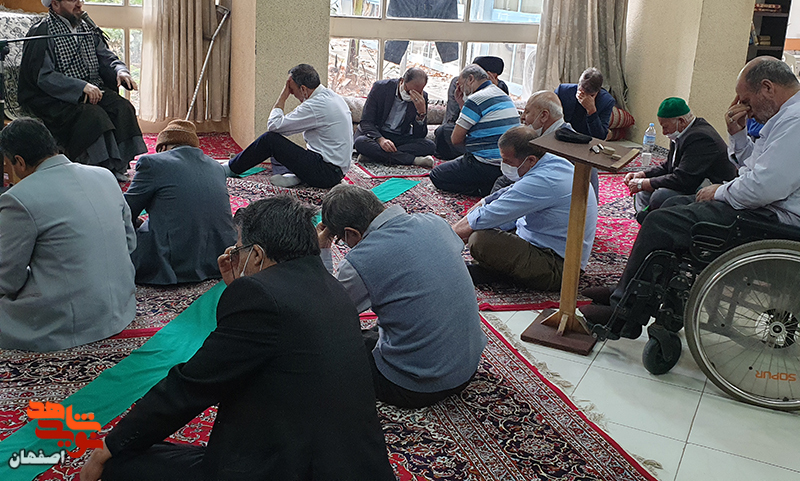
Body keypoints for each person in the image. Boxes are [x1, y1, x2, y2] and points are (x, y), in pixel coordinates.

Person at [80, 196, 395, 481]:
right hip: (351, 464)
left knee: (120, 465)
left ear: (256, 254)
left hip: (288, 468)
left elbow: (193, 383)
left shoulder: (261, 297)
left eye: (239, 249)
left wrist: (112, 444)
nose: (233, 256)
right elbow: (254, 348)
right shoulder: (332, 288)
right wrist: (239, 292)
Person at [581, 57, 800, 335]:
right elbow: (753, 169)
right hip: (763, 208)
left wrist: (719, 191)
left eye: (746, 100)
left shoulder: (794, 122)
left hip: (773, 220)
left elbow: (763, 187)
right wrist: (738, 136)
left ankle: (624, 313)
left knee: (661, 221)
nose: (746, 109)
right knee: (670, 205)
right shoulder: (785, 118)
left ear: (767, 88)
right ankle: (629, 291)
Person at [318, 184, 486, 409]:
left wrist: (322, 251)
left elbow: (323, 312)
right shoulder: (435, 222)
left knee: (325, 346)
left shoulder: (362, 260)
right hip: (467, 369)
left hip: (413, 385)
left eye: (341, 239)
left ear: (352, 234)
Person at [0, 118, 136, 352]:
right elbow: (130, 243)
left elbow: (7, 279)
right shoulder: (105, 176)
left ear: (19, 162)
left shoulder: (19, 197)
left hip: (66, 322)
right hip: (120, 308)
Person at [18, 0, 146, 182]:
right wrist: (79, 87)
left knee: (121, 107)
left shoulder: (86, 26)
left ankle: (119, 165)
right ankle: (99, 169)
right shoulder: (42, 32)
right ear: (55, 4)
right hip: (57, 98)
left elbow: (106, 57)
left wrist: (120, 71)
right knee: (94, 116)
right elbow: (43, 76)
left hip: (93, 90)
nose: (79, 5)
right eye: (72, 0)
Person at [452, 126, 598, 290]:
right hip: (541, 243)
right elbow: (502, 197)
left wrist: (445, 240)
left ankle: (501, 273)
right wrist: (481, 206)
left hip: (560, 267)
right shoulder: (550, 161)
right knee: (492, 223)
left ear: (530, 160)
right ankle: (500, 271)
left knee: (480, 240)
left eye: (508, 162)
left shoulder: (544, 181)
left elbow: (484, 217)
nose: (504, 165)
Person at [125, 119, 237, 285]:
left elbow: (124, 211)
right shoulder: (216, 167)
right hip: (219, 260)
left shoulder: (152, 163)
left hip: (172, 264)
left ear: (163, 147)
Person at [224, 64, 352, 188]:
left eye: (292, 90)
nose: (293, 94)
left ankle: (229, 169)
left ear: (303, 89)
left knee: (269, 140)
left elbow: (274, 126)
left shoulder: (315, 105)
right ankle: (297, 177)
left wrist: (283, 96)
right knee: (279, 153)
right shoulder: (332, 96)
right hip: (336, 171)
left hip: (326, 173)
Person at [624, 97, 736, 223]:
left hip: (710, 190)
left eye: (665, 127)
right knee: (643, 190)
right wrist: (642, 175)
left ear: (681, 121)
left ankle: (654, 220)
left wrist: (644, 183)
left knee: (660, 196)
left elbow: (683, 179)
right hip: (691, 182)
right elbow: (669, 166)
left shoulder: (701, 138)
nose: (664, 132)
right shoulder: (682, 133)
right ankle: (646, 219)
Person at [429, 64, 519, 196]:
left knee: (437, 175)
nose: (460, 89)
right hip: (509, 165)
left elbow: (455, 140)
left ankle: (482, 189)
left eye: (460, 85)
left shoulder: (475, 99)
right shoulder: (502, 94)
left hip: (486, 164)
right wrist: (462, 105)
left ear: (470, 79)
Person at [353, 67, 436, 168]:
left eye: (417, 92)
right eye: (409, 91)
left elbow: (420, 135)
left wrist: (421, 114)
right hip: (378, 134)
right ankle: (413, 160)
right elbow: (366, 122)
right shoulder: (380, 88)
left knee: (430, 146)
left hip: (400, 137)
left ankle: (375, 156)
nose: (412, 95)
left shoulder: (422, 98)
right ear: (402, 81)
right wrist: (381, 140)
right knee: (361, 142)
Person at [491, 90, 568, 193]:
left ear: (544, 116)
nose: (522, 117)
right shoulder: (544, 136)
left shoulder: (564, 147)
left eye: (527, 112)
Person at [434, 55, 509, 160]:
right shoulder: (459, 83)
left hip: (486, 132)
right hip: (462, 127)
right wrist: (462, 104)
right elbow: (453, 117)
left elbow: (500, 121)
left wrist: (492, 91)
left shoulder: (499, 87)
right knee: (442, 132)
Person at [555, 67, 616, 140]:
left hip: (585, 140)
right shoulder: (563, 90)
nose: (581, 93)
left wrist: (592, 111)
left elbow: (600, 136)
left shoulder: (606, 101)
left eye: (587, 93)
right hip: (561, 135)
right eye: (580, 87)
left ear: (596, 92)